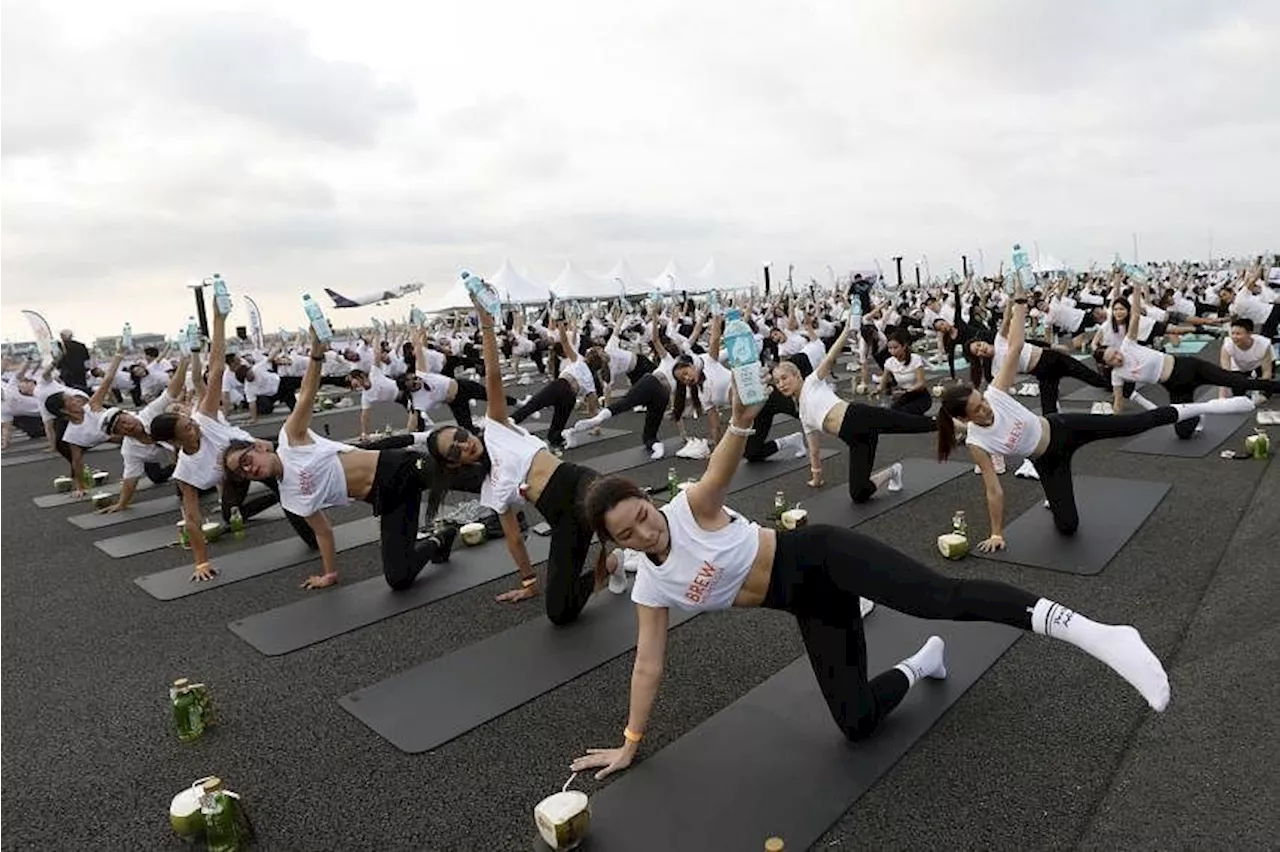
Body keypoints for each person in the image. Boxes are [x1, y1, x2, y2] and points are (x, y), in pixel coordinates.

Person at [570, 375, 1170, 781]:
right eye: (628, 536)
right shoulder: (650, 585)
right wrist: (630, 740)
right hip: (812, 604)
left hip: (822, 556)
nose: (646, 535)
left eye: (643, 518)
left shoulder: (691, 508)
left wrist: (740, 422)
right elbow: (648, 663)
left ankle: (1098, 632)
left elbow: (725, 460)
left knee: (943, 597)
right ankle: (921, 664)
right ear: (614, 544)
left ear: (650, 504)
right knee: (855, 724)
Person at [938, 280, 1255, 548]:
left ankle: (1206, 407)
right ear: (965, 419)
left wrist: (1019, 301)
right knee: (1068, 527)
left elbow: (1017, 345)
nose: (986, 407)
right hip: (1048, 461)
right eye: (977, 409)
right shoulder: (978, 443)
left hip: (1065, 428)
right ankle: (1059, 501)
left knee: (1134, 424)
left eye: (982, 400)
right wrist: (996, 532)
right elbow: (993, 488)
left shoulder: (996, 392)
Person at [424, 291, 620, 622]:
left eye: (459, 436)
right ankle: (613, 564)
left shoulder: (496, 427)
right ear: (454, 464)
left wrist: (486, 325)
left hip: (578, 484)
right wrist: (529, 581)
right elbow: (514, 538)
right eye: (454, 450)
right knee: (560, 613)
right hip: (561, 520)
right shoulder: (491, 489)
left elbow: (493, 377)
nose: (462, 444)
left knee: (632, 526)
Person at [223, 331, 465, 590]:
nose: (249, 469)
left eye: (246, 459)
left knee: (468, 475)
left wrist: (316, 353)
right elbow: (323, 531)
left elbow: (306, 394)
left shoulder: (291, 439)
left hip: (398, 467)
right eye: (243, 472)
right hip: (386, 499)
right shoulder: (291, 498)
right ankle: (440, 539)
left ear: (259, 447)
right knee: (399, 577)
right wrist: (330, 575)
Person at [774, 319, 934, 497]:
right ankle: (893, 472)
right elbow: (814, 450)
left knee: (915, 424)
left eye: (784, 378)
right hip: (857, 440)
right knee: (859, 493)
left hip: (860, 416)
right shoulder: (803, 414)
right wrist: (817, 476)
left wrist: (847, 331)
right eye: (777, 381)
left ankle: (962, 426)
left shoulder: (812, 382)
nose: (781, 384)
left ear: (796, 376)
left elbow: (831, 356)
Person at [1102, 286, 1279, 435]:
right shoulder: (1117, 376)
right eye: (1112, 359)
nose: (1118, 357)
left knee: (1242, 382)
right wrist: (1111, 426)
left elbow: (1135, 316)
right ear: (1107, 366)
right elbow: (1118, 403)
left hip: (1190, 367)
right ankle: (1201, 410)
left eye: (1115, 353)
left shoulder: (1127, 346)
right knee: (1183, 432)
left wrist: (1137, 284)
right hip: (1176, 387)